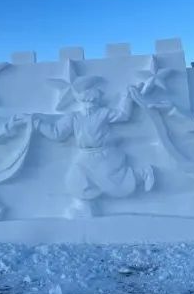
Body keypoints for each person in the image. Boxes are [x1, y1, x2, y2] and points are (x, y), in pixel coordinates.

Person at [36, 82, 154, 218]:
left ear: (96, 100)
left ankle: (143, 173)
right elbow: (57, 133)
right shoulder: (74, 117)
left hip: (104, 154)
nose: (89, 105)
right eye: (86, 101)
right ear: (80, 100)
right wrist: (37, 124)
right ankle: (87, 209)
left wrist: (127, 96)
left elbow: (123, 115)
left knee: (114, 184)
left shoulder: (103, 113)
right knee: (76, 181)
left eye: (92, 101)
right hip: (85, 156)